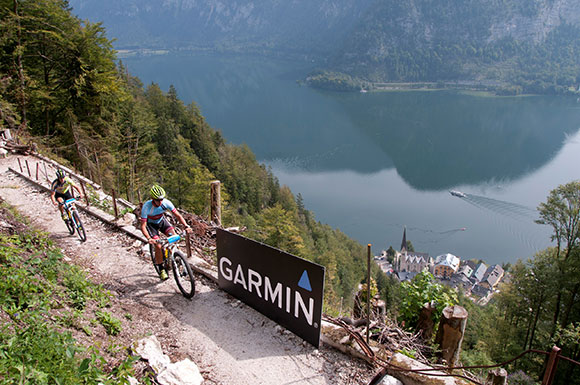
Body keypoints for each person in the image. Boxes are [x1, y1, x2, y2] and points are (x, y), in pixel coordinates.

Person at [140, 184, 192, 280]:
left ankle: (175, 258)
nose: (160, 202)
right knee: (158, 246)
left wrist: (186, 226)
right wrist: (149, 238)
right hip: (151, 226)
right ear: (152, 198)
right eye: (157, 200)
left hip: (162, 221)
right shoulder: (146, 207)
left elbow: (178, 216)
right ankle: (161, 268)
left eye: (161, 199)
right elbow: (143, 225)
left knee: (174, 238)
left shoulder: (166, 203)